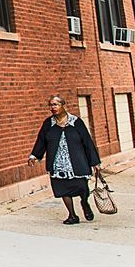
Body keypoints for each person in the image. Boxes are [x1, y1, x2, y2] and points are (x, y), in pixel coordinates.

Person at [32, 94, 102, 225]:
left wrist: (95, 162)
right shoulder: (48, 124)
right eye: (51, 105)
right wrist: (34, 155)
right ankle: (72, 215)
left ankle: (84, 202)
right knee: (62, 189)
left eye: (56, 104)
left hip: (76, 162)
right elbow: (41, 140)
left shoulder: (76, 122)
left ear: (63, 106)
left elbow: (87, 142)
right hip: (58, 164)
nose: (53, 107)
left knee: (82, 188)